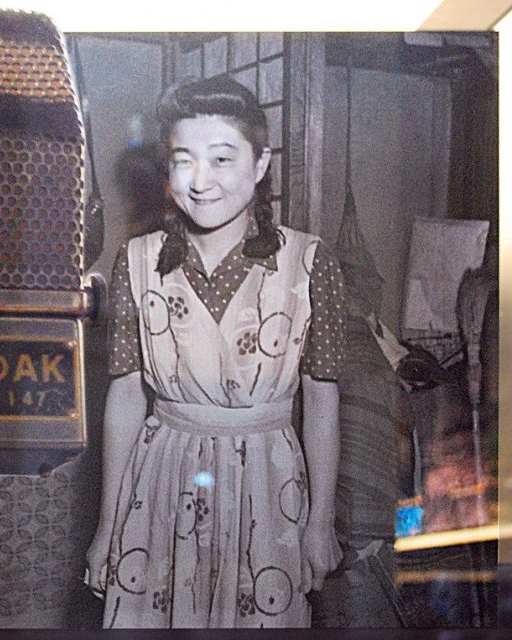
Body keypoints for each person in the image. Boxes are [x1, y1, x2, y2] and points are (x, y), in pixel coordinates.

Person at [86, 75, 345, 628]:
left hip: (269, 487)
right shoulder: (134, 261)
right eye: (184, 160)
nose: (201, 182)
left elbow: (323, 402)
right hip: (160, 484)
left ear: (259, 164)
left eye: (222, 159)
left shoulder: (308, 262)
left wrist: (320, 523)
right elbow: (127, 396)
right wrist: (108, 526)